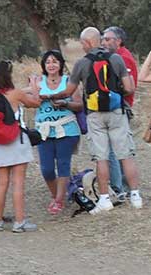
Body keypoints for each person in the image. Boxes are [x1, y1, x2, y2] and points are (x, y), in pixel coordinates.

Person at [54, 27, 142, 212]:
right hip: (116, 112)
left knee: (101, 158)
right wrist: (117, 92)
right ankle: (135, 196)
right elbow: (129, 88)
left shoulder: (82, 63)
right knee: (126, 155)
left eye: (82, 43)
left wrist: (52, 97)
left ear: (87, 43)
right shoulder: (116, 58)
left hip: (95, 115)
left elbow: (69, 91)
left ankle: (104, 199)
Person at [0, 61, 41, 233]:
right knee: (18, 182)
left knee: (1, 183)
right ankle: (19, 221)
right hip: (17, 140)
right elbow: (35, 103)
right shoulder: (15, 94)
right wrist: (34, 86)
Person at [35, 50, 82, 215]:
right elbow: (29, 101)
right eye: (48, 62)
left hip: (66, 129)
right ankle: (56, 195)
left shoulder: (69, 82)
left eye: (55, 61)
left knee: (63, 164)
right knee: (47, 168)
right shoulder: (38, 82)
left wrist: (65, 103)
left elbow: (79, 105)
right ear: (43, 65)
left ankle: (59, 200)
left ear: (61, 64)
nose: (51, 65)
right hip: (44, 131)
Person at [102, 26, 135, 198]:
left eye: (108, 39)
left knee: (118, 149)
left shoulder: (123, 58)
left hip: (121, 106)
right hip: (117, 105)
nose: (104, 42)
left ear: (119, 41)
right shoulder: (116, 56)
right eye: (103, 39)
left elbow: (128, 86)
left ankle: (121, 188)